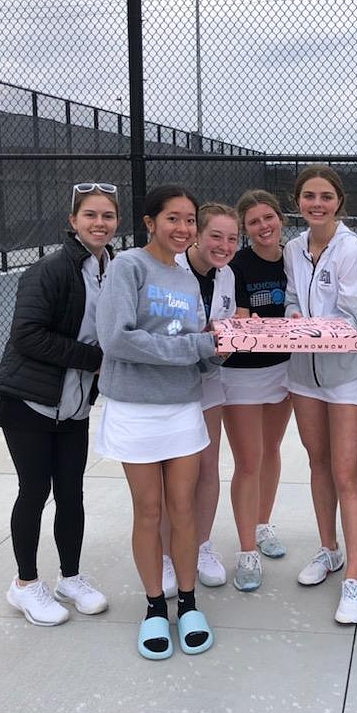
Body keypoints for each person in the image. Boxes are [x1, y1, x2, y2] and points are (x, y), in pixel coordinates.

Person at [95, 185, 223, 660]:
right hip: (134, 410)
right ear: (149, 222)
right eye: (173, 218)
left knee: (183, 510)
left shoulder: (188, 278)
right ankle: (154, 608)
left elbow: (195, 344)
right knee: (148, 512)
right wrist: (198, 349)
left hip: (182, 409)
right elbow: (117, 340)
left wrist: (218, 354)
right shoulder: (128, 267)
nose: (183, 229)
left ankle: (188, 603)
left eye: (190, 220)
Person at [0, 181, 118, 626]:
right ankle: (25, 584)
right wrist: (95, 360)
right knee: (34, 490)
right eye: (90, 215)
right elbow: (27, 335)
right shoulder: (49, 270)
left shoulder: (114, 269)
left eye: (107, 216)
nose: (99, 223)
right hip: (30, 401)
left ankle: (70, 577)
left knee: (71, 491)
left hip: (75, 405)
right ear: (73, 221)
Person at [283, 165, 357, 624]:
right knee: (317, 463)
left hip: (344, 375)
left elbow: (349, 318)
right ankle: (328, 550)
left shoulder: (352, 249)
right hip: (302, 373)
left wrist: (307, 329)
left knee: (344, 471)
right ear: (297, 201)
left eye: (325, 196)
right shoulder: (292, 248)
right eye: (308, 196)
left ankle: (355, 578)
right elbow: (292, 300)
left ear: (338, 201)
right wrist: (294, 320)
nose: (316, 204)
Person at [161, 202, 239, 595]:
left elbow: (221, 335)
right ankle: (164, 553)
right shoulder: (167, 270)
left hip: (208, 382)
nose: (223, 246)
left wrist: (232, 338)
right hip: (168, 386)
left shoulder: (227, 276)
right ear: (197, 234)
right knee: (169, 477)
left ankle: (201, 545)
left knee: (208, 469)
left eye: (231, 238)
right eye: (215, 236)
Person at [222, 190, 293, 592]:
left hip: (284, 370)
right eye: (253, 222)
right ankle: (246, 549)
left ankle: (263, 525)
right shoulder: (237, 265)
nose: (263, 226)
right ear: (245, 230)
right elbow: (243, 325)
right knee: (248, 461)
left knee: (271, 451)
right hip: (243, 376)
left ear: (279, 218)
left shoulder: (295, 259)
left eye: (268, 217)